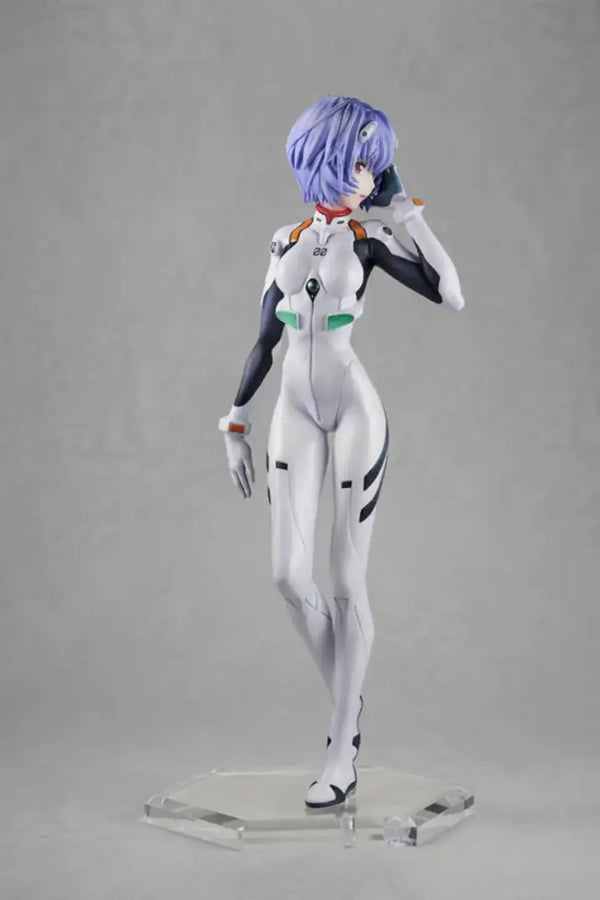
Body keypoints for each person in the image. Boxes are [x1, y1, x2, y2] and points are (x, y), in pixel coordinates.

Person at [218, 95, 465, 809]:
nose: (370, 176)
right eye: (360, 162)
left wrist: (406, 213)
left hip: (354, 406)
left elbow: (450, 294)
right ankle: (349, 712)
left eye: (376, 164)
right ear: (323, 159)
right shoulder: (284, 240)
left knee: (346, 581)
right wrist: (236, 420)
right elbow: (265, 340)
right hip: (293, 406)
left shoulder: (369, 240)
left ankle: (338, 750)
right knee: (287, 576)